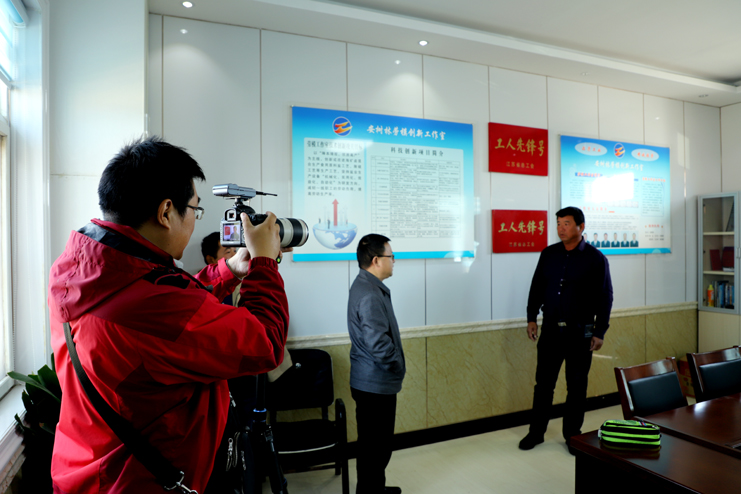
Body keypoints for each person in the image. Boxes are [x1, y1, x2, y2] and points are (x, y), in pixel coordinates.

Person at [47, 136, 289, 494]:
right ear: (165, 213)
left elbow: (168, 302)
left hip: (86, 466)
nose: (194, 220)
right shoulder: (153, 307)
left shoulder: (81, 270)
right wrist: (265, 263)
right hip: (137, 482)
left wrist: (228, 271)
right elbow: (266, 342)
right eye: (194, 210)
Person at [519, 206, 613, 454]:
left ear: (581, 227)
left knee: (577, 386)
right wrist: (531, 317)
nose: (561, 228)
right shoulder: (549, 254)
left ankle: (572, 435)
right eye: (559, 223)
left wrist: (599, 331)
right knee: (543, 384)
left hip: (580, 332)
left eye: (567, 224)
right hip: (551, 329)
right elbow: (537, 287)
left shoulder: (595, 258)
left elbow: (605, 297)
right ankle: (536, 432)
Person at [348, 234, 405, 494]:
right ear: (376, 260)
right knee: (376, 449)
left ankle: (374, 489)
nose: (394, 261)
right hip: (374, 385)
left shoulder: (365, 285)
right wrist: (398, 365)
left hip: (370, 382)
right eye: (391, 256)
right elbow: (379, 344)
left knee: (372, 448)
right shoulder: (370, 293)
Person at [202, 231, 239, 305]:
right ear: (211, 260)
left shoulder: (243, 282)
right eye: (228, 252)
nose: (235, 256)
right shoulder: (198, 286)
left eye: (235, 251)